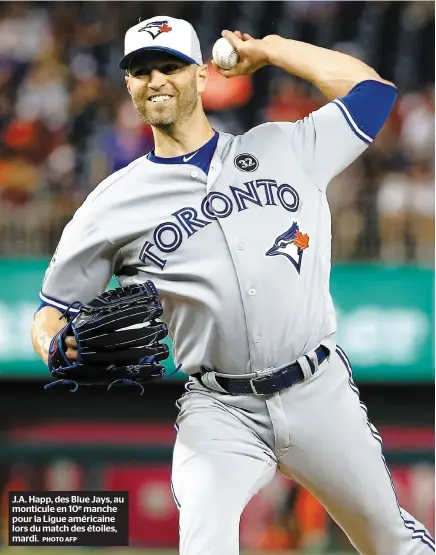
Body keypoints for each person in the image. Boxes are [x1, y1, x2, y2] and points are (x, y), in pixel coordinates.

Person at [31, 15, 434, 555]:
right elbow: (51, 309)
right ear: (128, 84)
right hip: (221, 409)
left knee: (391, 543)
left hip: (319, 392)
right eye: (142, 70)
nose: (156, 80)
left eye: (170, 66)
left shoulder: (285, 146)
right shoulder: (109, 206)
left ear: (201, 75)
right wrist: (53, 344)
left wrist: (269, 49)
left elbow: (372, 92)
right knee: (204, 544)